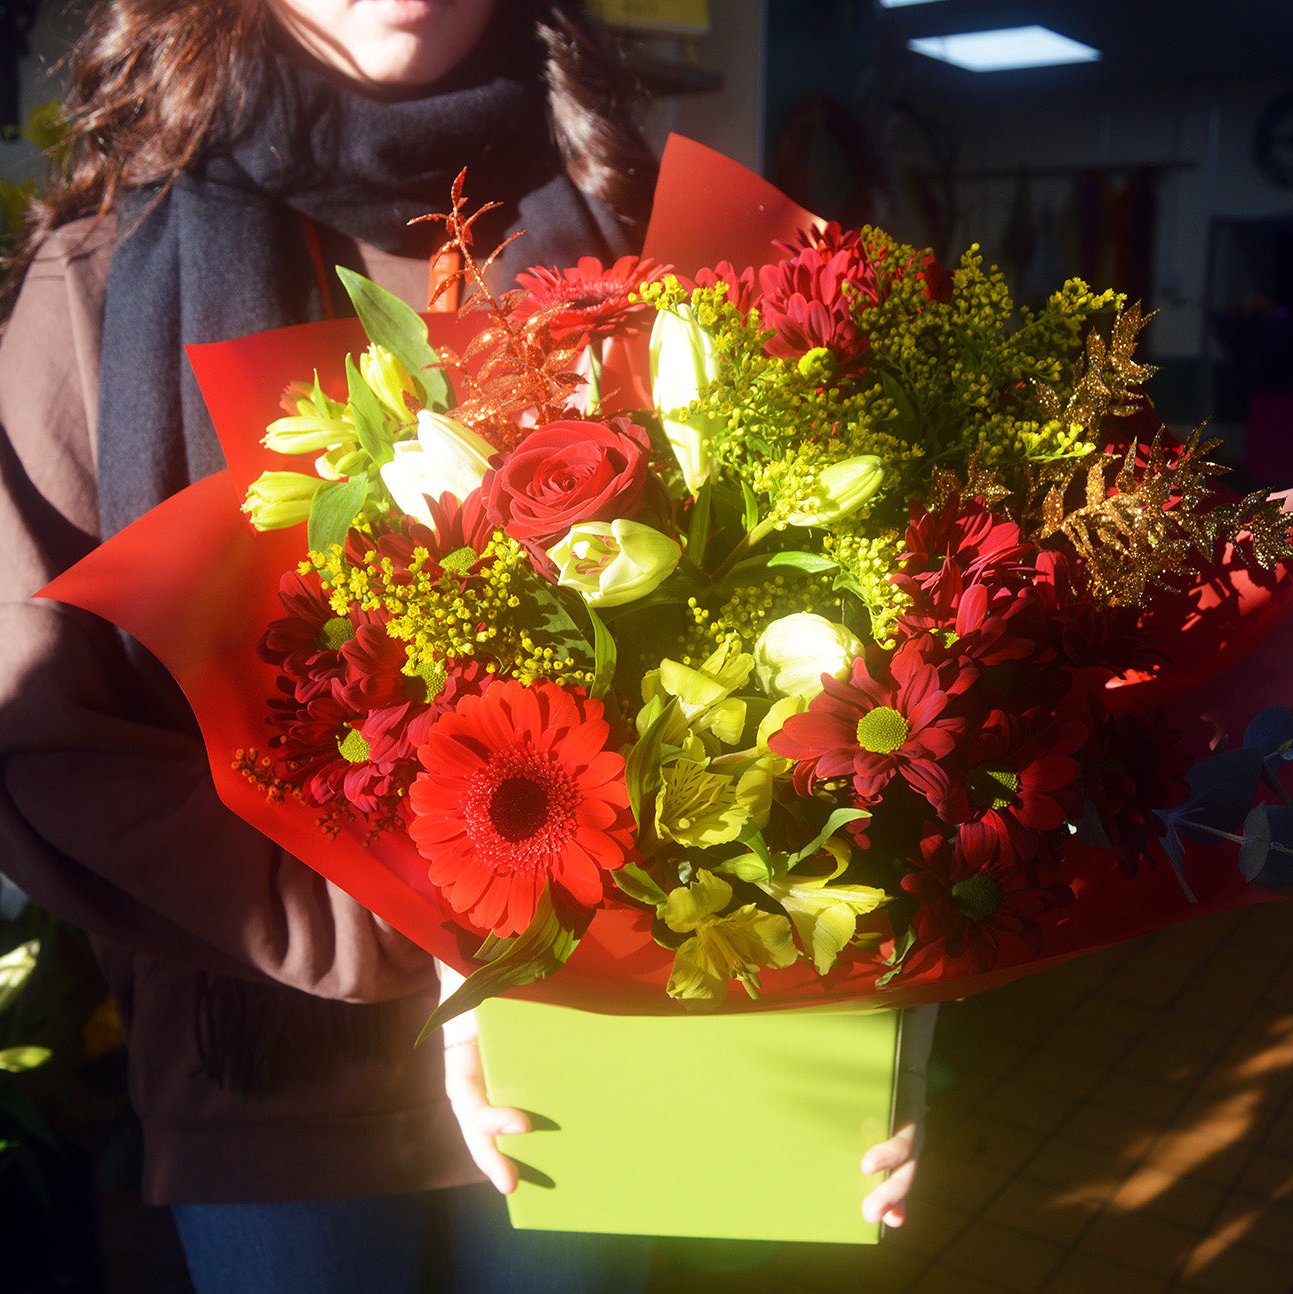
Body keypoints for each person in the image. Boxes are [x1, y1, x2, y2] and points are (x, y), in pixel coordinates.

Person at [0, 0, 925, 1288]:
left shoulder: (654, 232)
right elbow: (48, 729)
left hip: (610, 1052)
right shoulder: (101, 278)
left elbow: (834, 648)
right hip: (279, 1087)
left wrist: (871, 993)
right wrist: (424, 939)